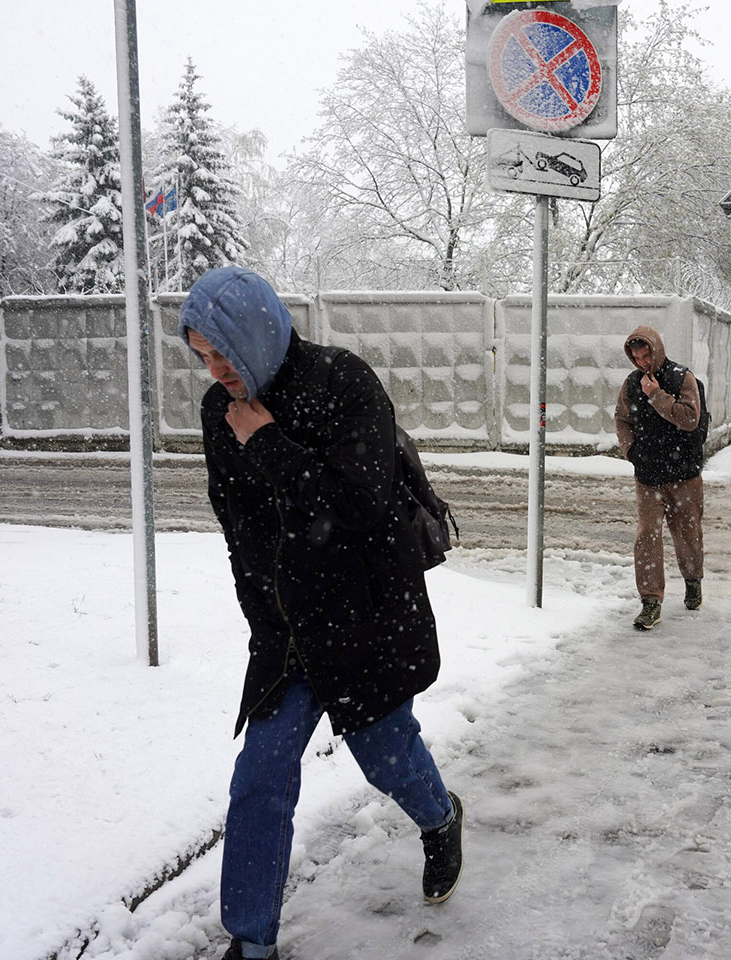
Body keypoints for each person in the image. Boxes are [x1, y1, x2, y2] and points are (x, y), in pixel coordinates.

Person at [179, 267, 463, 960]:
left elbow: (355, 506)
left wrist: (269, 440)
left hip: (362, 617)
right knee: (260, 777)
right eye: (202, 359)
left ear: (258, 332)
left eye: (223, 353)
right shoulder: (220, 413)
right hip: (288, 631)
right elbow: (239, 530)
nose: (218, 374)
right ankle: (250, 944)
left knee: (386, 755)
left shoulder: (343, 382)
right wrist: (263, 619)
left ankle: (440, 817)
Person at [614, 325, 708, 630]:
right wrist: (631, 451)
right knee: (647, 537)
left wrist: (656, 396)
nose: (642, 362)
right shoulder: (631, 384)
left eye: (646, 354)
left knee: (687, 534)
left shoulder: (682, 378)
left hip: (684, 475)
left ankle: (693, 581)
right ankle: (650, 601)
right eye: (636, 356)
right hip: (648, 476)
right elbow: (621, 418)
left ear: (657, 350)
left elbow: (690, 420)